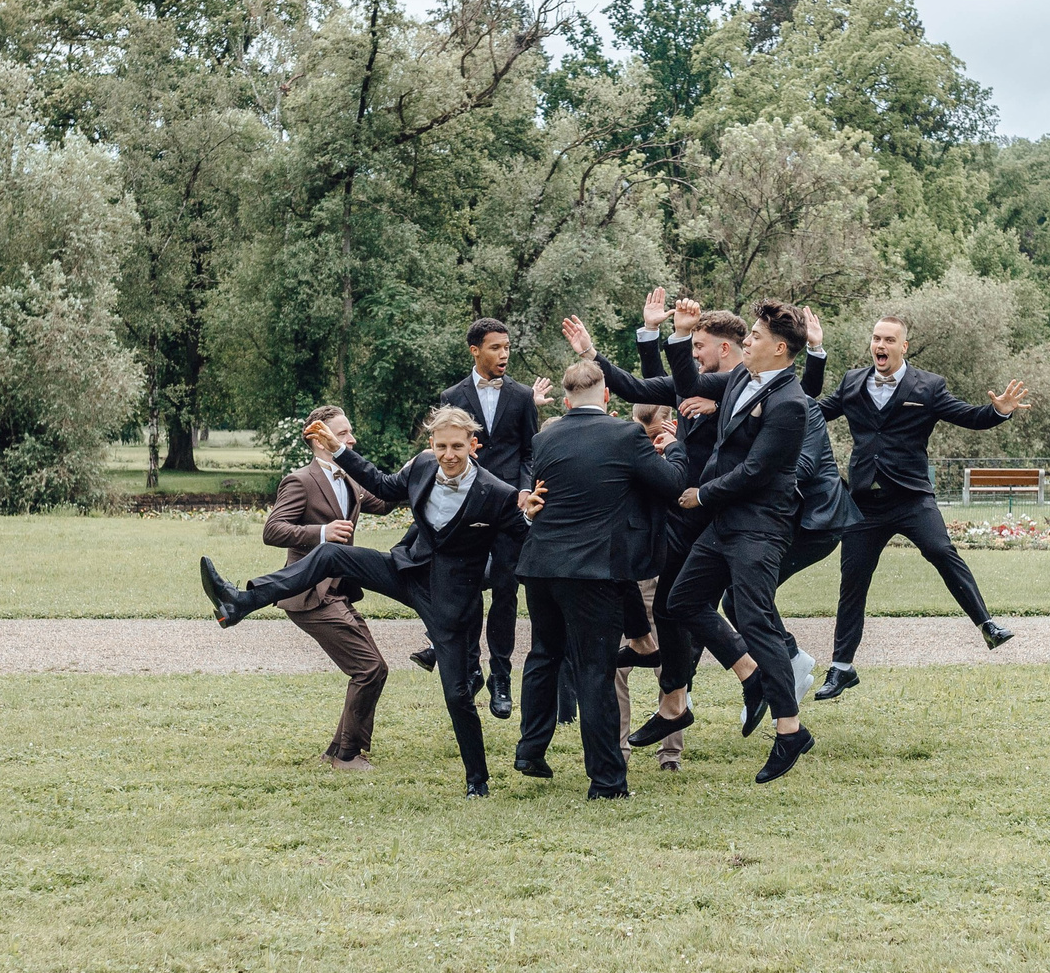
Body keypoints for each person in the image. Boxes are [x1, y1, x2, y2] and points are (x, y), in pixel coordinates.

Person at [200, 406, 532, 800]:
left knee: (457, 696)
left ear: (472, 445)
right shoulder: (424, 467)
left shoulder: (497, 494)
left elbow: (513, 559)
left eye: (457, 446)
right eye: (441, 446)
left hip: (452, 601)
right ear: (431, 445)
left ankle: (477, 780)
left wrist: (529, 520)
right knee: (330, 555)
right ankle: (242, 601)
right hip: (407, 573)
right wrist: (339, 449)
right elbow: (382, 484)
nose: (449, 455)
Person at [638, 298, 817, 783]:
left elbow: (758, 470)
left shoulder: (790, 405)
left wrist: (703, 495)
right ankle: (753, 676)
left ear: (779, 350)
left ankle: (789, 730)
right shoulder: (741, 379)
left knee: (757, 623)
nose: (748, 342)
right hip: (724, 523)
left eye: (755, 337)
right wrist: (678, 335)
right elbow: (689, 385)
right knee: (681, 601)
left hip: (759, 527)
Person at [808, 313, 1031, 703]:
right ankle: (841, 668)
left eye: (889, 340)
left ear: (903, 347)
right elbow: (812, 412)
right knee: (852, 583)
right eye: (876, 338)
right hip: (864, 505)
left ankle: (987, 625)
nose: (881, 345)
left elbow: (969, 416)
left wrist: (999, 411)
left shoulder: (927, 386)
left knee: (941, 550)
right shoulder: (852, 383)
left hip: (911, 497)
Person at [559, 291, 746, 740]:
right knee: (666, 601)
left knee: (682, 604)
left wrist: (712, 408)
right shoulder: (698, 383)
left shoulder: (747, 384)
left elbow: (754, 426)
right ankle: (673, 697)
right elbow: (639, 388)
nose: (692, 356)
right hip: (680, 510)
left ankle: (756, 679)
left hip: (712, 514)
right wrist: (592, 351)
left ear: (724, 347)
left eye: (698, 347)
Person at [510, 361, 689, 799]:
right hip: (592, 570)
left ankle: (530, 749)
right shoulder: (626, 436)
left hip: (540, 564)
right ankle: (607, 780)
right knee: (594, 670)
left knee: (544, 655)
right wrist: (678, 446)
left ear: (567, 400)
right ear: (607, 396)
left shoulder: (545, 437)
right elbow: (671, 484)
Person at [421, 318, 546, 720]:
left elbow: (530, 451)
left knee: (507, 590)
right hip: (466, 507)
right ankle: (472, 668)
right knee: (467, 584)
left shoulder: (523, 396)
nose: (504, 354)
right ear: (475, 350)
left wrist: (525, 488)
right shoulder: (451, 395)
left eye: (507, 347)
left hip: (509, 505)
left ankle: (502, 677)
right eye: (496, 348)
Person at [259, 405, 396, 771]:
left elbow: (385, 500)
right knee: (370, 669)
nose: (351, 440)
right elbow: (273, 530)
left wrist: (432, 466)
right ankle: (347, 756)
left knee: (373, 668)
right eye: (344, 433)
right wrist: (322, 533)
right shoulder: (300, 481)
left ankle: (338, 751)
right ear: (320, 438)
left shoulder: (350, 480)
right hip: (309, 594)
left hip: (338, 592)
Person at [613, 403, 688, 771]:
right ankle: (619, 750)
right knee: (616, 667)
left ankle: (670, 751)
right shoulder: (624, 447)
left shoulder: (680, 450)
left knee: (669, 666)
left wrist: (672, 450)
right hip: (629, 573)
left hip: (664, 571)